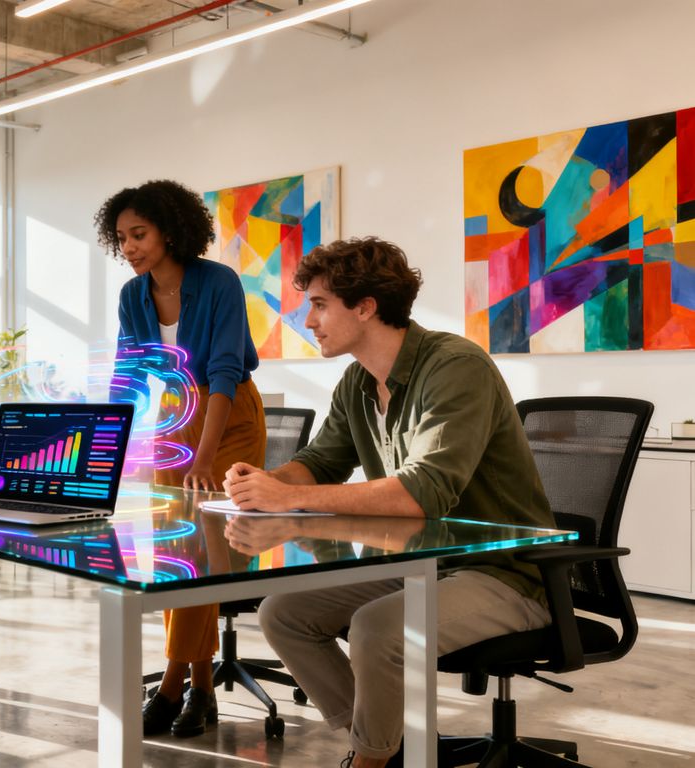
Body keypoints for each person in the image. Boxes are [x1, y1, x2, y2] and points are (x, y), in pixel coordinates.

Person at [224, 236, 556, 768]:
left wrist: (288, 495)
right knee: (283, 613)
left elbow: (423, 493)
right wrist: (261, 483)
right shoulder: (358, 380)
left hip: (503, 572)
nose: (308, 321)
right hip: (422, 564)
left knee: (378, 628)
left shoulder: (455, 366)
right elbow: (321, 461)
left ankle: (372, 759)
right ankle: (388, 745)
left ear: (365, 306)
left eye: (319, 304)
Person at [95, 179, 266, 738]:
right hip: (172, 420)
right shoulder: (131, 295)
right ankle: (203, 687)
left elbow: (223, 370)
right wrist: (111, 448)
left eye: (139, 234)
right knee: (178, 551)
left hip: (227, 419)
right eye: (122, 238)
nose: (130, 247)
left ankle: (173, 683)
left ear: (171, 229)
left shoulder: (218, 282)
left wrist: (204, 454)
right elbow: (131, 376)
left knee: (205, 543)